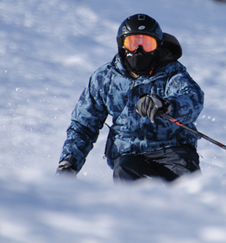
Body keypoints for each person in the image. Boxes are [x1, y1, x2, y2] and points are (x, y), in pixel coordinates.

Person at [56, 13, 204, 182]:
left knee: (186, 186)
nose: (139, 51)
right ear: (121, 45)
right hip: (128, 155)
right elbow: (84, 125)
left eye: (147, 44)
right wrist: (69, 163)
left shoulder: (172, 73)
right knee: (125, 172)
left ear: (158, 47)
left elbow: (193, 98)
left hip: (173, 149)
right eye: (132, 43)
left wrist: (166, 105)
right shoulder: (105, 78)